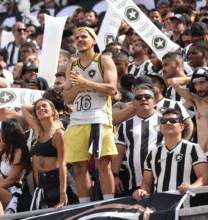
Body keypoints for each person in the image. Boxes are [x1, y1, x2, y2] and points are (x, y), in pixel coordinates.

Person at [63, 27, 118, 203]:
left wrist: (85, 82)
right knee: (79, 167)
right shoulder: (72, 65)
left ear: (93, 40)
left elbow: (112, 89)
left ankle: (108, 203)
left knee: (103, 164)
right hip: (77, 119)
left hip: (99, 118)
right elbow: (66, 98)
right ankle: (84, 206)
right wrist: (78, 87)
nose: (79, 39)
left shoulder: (104, 60)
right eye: (76, 37)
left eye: (84, 37)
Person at [132, 109, 208, 201]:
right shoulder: (153, 153)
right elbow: (146, 183)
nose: (168, 123)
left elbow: (204, 178)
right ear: (160, 127)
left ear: (182, 126)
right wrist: (142, 191)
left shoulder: (193, 148)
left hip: (185, 205)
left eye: (173, 121)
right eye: (164, 121)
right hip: (160, 206)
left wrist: (191, 186)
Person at [22, 99, 79, 209]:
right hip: (43, 184)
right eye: (37, 108)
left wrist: (63, 194)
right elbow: (24, 107)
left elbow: (63, 165)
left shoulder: (58, 133)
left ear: (53, 110)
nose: (41, 109)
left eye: (44, 106)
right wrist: (38, 109)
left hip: (58, 183)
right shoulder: (38, 131)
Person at [113, 84, 163, 196]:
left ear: (154, 101)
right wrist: (115, 176)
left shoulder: (165, 122)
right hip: (135, 181)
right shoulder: (125, 125)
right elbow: (119, 152)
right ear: (133, 103)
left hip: (163, 180)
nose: (143, 99)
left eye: (147, 96)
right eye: (139, 98)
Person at [0, 119, 31, 215]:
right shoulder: (3, 151)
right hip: (3, 191)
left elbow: (11, 179)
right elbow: (0, 178)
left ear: (8, 133)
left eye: (1, 130)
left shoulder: (19, 150)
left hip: (16, 192)